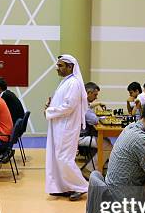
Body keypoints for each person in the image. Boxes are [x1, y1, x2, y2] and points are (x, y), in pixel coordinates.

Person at [45, 54, 89, 201]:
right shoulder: (66, 82)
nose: (57, 68)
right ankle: (63, 187)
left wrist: (50, 111)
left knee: (64, 158)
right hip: (60, 125)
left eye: (60, 65)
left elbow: (69, 106)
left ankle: (81, 187)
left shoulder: (74, 83)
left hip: (67, 127)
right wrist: (50, 106)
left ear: (70, 67)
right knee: (58, 157)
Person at [79, 82, 112, 175]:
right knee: (107, 146)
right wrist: (100, 117)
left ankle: (101, 168)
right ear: (88, 93)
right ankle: (89, 170)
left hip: (80, 134)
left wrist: (97, 104)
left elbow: (90, 108)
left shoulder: (81, 102)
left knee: (106, 140)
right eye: (95, 95)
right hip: (80, 137)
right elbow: (94, 120)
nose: (96, 97)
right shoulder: (83, 106)